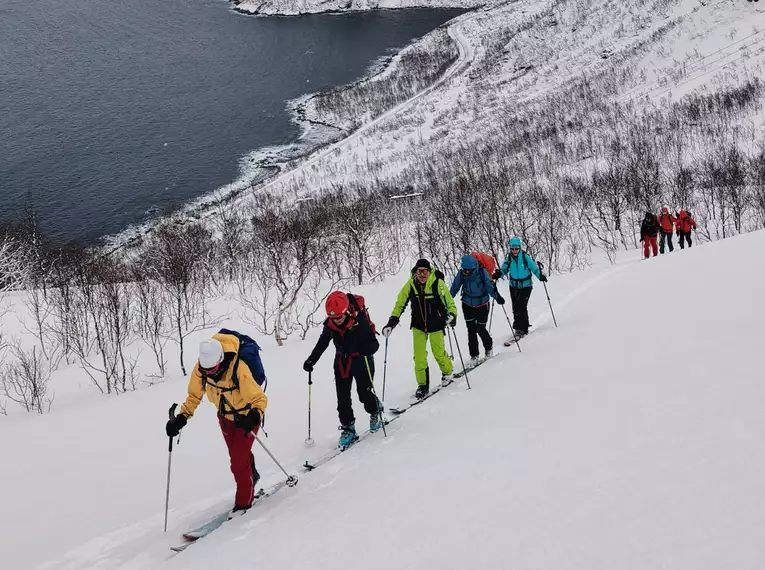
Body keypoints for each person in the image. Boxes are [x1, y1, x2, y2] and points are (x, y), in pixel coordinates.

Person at [165, 332, 267, 517]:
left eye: (213, 369)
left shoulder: (239, 368)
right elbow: (194, 395)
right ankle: (252, 477)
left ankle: (244, 503)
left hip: (246, 418)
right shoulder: (202, 368)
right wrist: (182, 418)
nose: (209, 373)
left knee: (237, 462)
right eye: (206, 370)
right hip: (224, 418)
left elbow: (259, 398)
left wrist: (253, 416)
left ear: (220, 360)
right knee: (237, 457)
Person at [302, 291, 382, 449]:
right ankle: (348, 428)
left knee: (364, 394)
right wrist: (312, 360)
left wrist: (367, 348)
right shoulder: (331, 323)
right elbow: (323, 343)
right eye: (333, 318)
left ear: (346, 311)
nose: (336, 321)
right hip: (342, 362)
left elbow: (374, 344)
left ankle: (375, 410)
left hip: (362, 360)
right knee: (343, 399)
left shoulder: (359, 320)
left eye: (339, 317)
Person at [381, 259, 457, 399]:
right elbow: (400, 304)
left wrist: (452, 315)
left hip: (436, 325)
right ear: (415, 272)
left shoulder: (437, 284)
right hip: (418, 326)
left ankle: (447, 372)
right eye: (419, 271)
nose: (422, 274)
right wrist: (391, 323)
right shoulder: (410, 285)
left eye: (424, 271)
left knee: (438, 352)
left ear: (429, 271)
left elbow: (450, 302)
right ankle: (422, 385)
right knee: (419, 357)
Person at [449, 255, 505, 363]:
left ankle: (488, 348)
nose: (466, 272)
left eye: (469, 271)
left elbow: (489, 285)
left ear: (474, 268)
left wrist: (497, 297)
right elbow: (454, 287)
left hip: (482, 304)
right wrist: (446, 300)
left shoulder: (482, 272)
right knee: (471, 330)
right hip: (467, 304)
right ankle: (474, 355)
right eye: (465, 270)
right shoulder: (462, 273)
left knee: (480, 328)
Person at [493, 237, 545, 338]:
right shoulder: (509, 258)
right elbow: (504, 269)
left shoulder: (525, 257)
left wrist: (540, 276)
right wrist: (499, 274)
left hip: (526, 286)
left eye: (516, 249)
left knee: (521, 305)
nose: (514, 251)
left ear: (520, 248)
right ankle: (519, 328)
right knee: (515, 307)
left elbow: (534, 268)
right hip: (513, 286)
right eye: (512, 249)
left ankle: (523, 329)